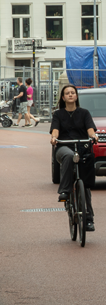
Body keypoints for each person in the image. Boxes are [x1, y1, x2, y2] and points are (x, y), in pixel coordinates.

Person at [50, 84, 97, 232]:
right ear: (63, 98)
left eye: (73, 92)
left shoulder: (84, 113)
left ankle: (89, 220)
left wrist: (93, 136)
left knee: (86, 187)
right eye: (67, 93)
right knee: (69, 156)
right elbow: (55, 131)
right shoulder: (58, 114)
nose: (70, 95)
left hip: (82, 147)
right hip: (64, 147)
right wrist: (53, 138)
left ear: (76, 96)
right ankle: (64, 191)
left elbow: (90, 129)